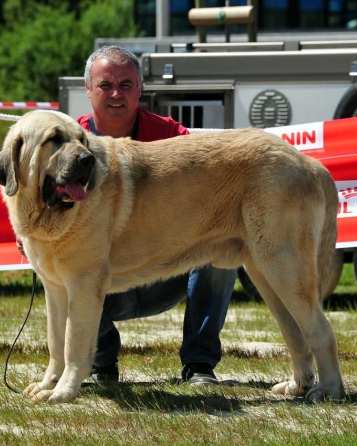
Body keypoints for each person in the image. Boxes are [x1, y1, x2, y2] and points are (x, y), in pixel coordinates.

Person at [79, 45, 237, 385]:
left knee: (221, 249)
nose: (116, 94)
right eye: (105, 85)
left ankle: (199, 365)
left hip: (167, 274)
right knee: (51, 264)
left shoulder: (171, 136)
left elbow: (214, 179)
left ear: (140, 90)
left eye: (126, 84)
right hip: (107, 283)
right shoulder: (68, 145)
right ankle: (100, 362)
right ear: (88, 90)